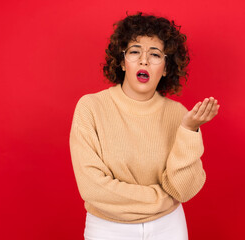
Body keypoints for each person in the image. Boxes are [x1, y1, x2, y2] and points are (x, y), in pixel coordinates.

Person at [69, 12, 220, 240]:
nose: (144, 60)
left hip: (168, 227)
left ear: (167, 68)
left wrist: (189, 131)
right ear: (121, 62)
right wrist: (161, 198)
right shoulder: (91, 108)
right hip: (108, 228)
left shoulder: (179, 114)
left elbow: (184, 190)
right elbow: (93, 188)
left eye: (155, 54)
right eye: (134, 51)